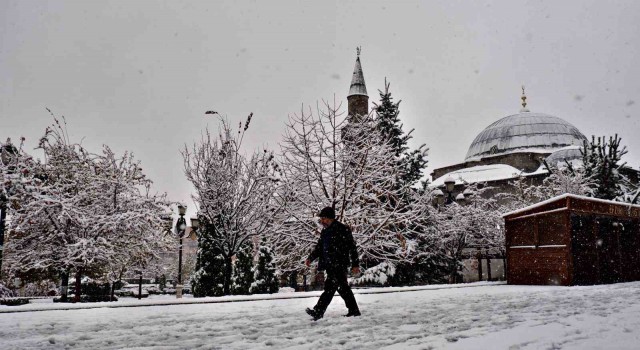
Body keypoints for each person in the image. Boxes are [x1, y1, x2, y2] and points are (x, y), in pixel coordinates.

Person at [305, 206, 361, 321]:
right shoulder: (325, 232)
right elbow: (319, 247)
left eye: (324, 218)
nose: (322, 221)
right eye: (321, 218)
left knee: (330, 289)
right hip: (329, 265)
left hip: (339, 264)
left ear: (330, 218)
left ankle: (318, 311)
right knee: (342, 288)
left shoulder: (342, 229)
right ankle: (354, 310)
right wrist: (310, 258)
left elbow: (352, 247)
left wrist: (355, 264)